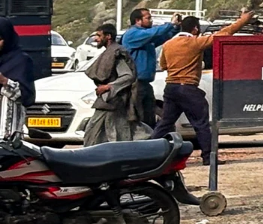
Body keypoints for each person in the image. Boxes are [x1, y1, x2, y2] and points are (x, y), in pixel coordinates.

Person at [151, 10, 253, 165]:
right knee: (201, 124)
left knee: (165, 123)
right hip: (188, 88)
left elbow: (164, 65)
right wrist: (242, 20)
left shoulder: (168, 44)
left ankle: (149, 151)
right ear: (195, 29)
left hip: (171, 87)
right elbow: (223, 34)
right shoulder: (195, 43)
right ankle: (208, 157)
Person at [83, 24, 143, 145]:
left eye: (99, 35)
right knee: (111, 131)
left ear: (108, 36)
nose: (96, 39)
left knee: (98, 131)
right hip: (109, 100)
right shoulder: (109, 52)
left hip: (114, 100)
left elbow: (127, 76)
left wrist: (108, 87)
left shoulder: (117, 53)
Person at [121, 8, 180, 126]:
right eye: (148, 18)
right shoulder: (133, 34)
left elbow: (162, 37)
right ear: (138, 20)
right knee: (137, 115)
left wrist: (175, 27)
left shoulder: (145, 38)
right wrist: (170, 24)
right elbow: (153, 33)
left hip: (145, 83)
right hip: (135, 83)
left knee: (149, 115)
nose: (151, 20)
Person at [0, 18, 35, 139]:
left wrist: (4, 81)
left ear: (7, 38)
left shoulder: (22, 61)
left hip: (8, 134)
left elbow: (27, 97)